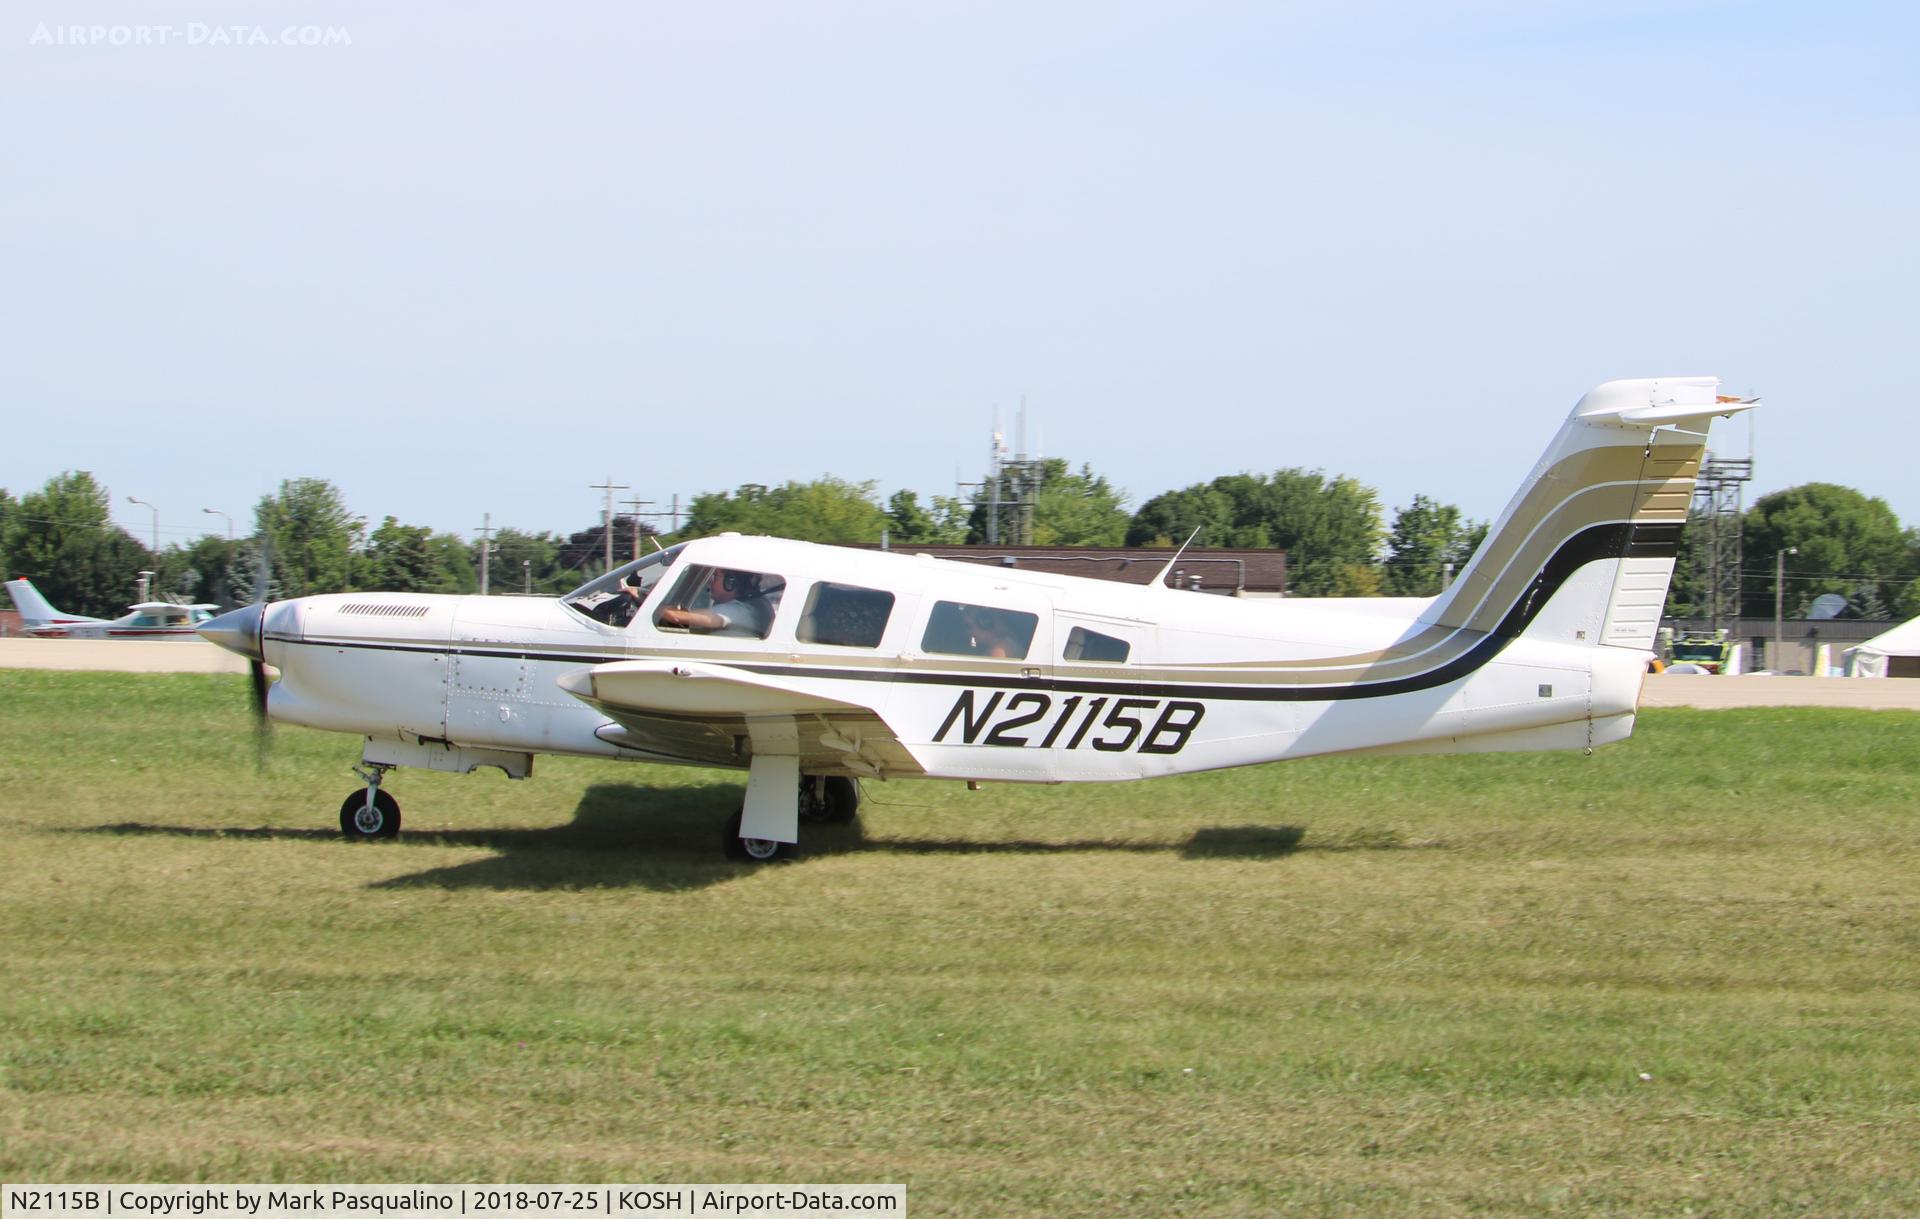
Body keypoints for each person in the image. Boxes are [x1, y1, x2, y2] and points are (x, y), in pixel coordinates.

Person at [657, 568, 772, 637]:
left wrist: (651, 605)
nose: (710, 583)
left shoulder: (740, 610)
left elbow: (677, 617)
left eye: (715, 577)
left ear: (730, 582)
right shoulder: (759, 603)